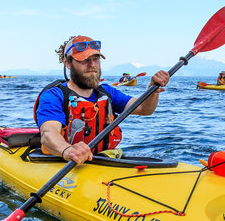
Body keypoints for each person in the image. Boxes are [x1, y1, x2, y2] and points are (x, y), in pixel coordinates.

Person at [34, 35, 170, 165]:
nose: (92, 64)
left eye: (96, 59)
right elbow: (49, 133)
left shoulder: (107, 92)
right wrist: (67, 150)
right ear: (68, 63)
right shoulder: (54, 96)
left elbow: (144, 109)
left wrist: (152, 91)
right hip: (66, 162)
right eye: (84, 60)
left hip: (103, 159)